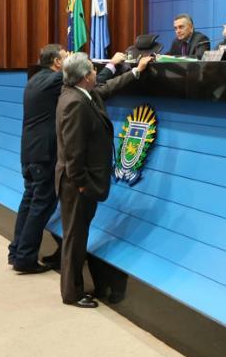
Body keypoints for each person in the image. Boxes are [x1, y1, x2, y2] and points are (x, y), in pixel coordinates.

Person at [9, 46, 127, 272]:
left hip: (29, 152)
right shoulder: (57, 81)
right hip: (45, 155)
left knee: (29, 203)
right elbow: (91, 82)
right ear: (56, 63)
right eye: (66, 57)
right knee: (40, 207)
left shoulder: (34, 79)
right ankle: (24, 258)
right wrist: (112, 65)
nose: (69, 58)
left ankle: (16, 251)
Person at [56, 52, 153, 308]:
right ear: (85, 77)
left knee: (77, 235)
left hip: (80, 182)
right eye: (92, 70)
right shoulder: (76, 103)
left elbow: (107, 88)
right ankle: (72, 293)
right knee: (75, 238)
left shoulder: (80, 94)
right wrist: (82, 184)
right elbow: (73, 152)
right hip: (77, 184)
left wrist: (136, 71)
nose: (95, 73)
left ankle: (73, 287)